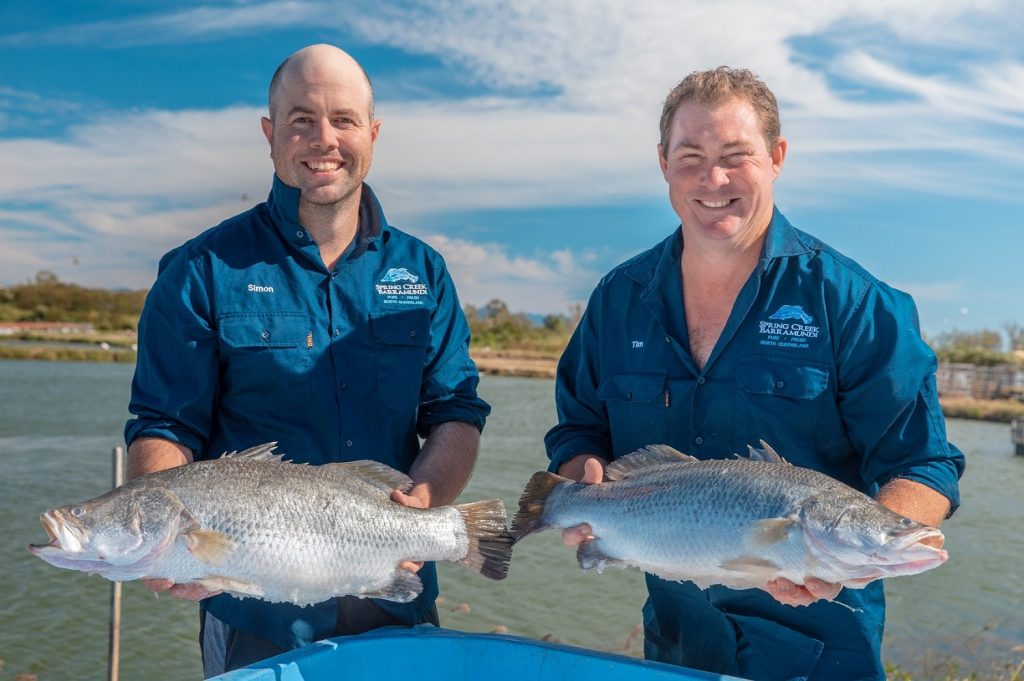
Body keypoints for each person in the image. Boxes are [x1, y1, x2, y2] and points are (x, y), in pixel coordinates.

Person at [544, 66, 964, 681]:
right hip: (677, 638)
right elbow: (579, 427)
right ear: (662, 163)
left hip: (821, 643)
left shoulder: (857, 303)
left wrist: (857, 559)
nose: (713, 180)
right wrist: (576, 479)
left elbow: (923, 465)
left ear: (776, 158)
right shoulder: (618, 299)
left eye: (735, 156)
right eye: (691, 157)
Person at [124, 44, 491, 678]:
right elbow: (165, 425)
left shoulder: (423, 271)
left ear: (372, 134)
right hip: (252, 603)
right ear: (270, 135)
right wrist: (163, 540)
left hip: (393, 593)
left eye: (343, 120)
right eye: (301, 119)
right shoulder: (198, 272)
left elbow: (455, 410)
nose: (323, 139)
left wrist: (425, 502)